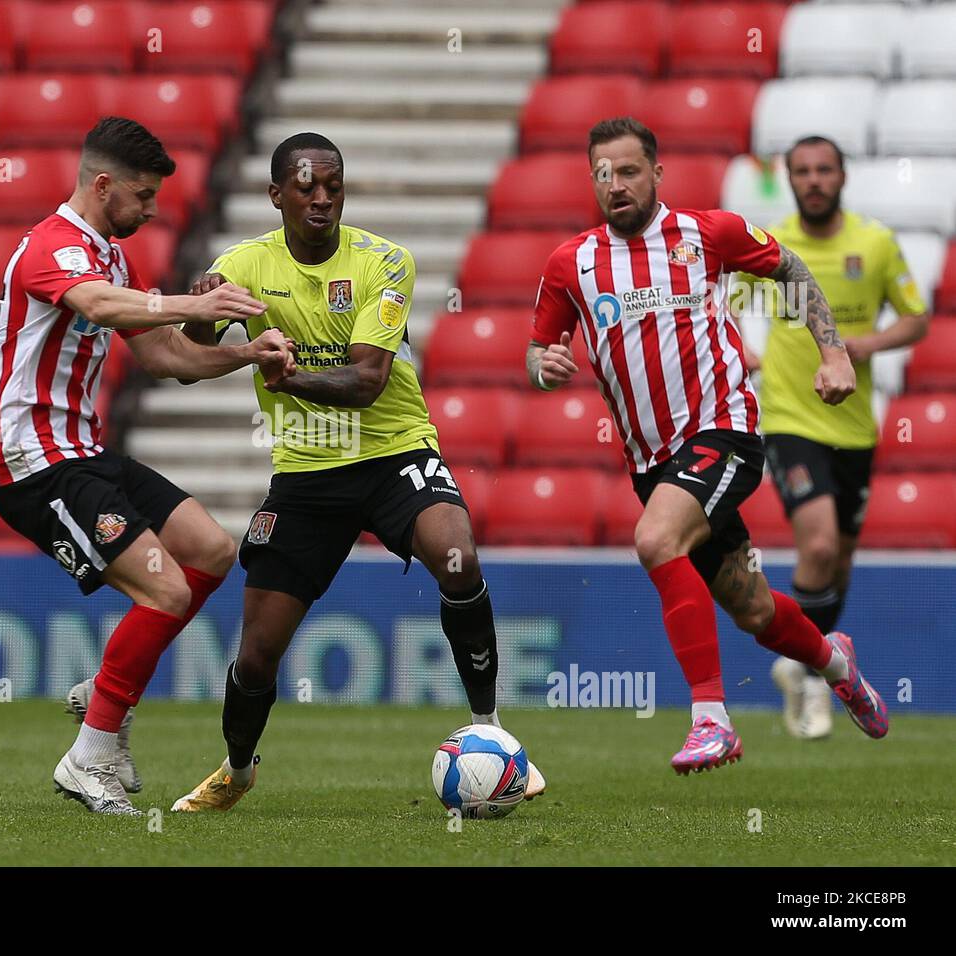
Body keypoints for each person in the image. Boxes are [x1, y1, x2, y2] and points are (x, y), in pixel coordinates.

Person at [169, 131, 544, 811]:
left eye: (332, 185)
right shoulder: (242, 265)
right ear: (276, 194)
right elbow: (191, 360)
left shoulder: (384, 262)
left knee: (458, 558)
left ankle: (492, 731)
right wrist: (202, 312)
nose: (320, 198)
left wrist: (285, 376)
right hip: (307, 472)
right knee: (257, 653)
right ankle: (237, 768)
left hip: (394, 450)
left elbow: (369, 380)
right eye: (305, 186)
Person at [526, 117, 889, 775]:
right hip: (652, 462)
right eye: (603, 173)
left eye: (630, 170)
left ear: (657, 173)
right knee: (751, 607)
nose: (617, 185)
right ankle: (838, 664)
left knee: (654, 540)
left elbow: (791, 268)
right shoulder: (570, 263)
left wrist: (833, 352)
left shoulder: (707, 233)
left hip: (723, 432)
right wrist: (543, 367)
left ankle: (711, 720)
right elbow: (537, 350)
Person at [0, 116, 295, 815]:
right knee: (166, 594)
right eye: (143, 196)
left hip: (83, 451)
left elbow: (166, 359)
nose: (152, 209)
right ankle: (89, 757)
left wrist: (246, 353)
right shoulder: (52, 247)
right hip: (31, 459)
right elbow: (93, 303)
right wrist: (196, 303)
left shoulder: (111, 260)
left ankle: (103, 692)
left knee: (211, 551)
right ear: (102, 184)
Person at [735, 135, 929, 739]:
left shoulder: (874, 243)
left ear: (843, 177)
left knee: (839, 563)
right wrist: (747, 354)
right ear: (789, 180)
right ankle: (814, 676)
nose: (814, 180)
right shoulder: (773, 248)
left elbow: (915, 315)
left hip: (855, 424)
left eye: (824, 170)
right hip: (790, 418)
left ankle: (803, 668)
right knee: (817, 546)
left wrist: (862, 346)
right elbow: (726, 306)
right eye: (802, 172)